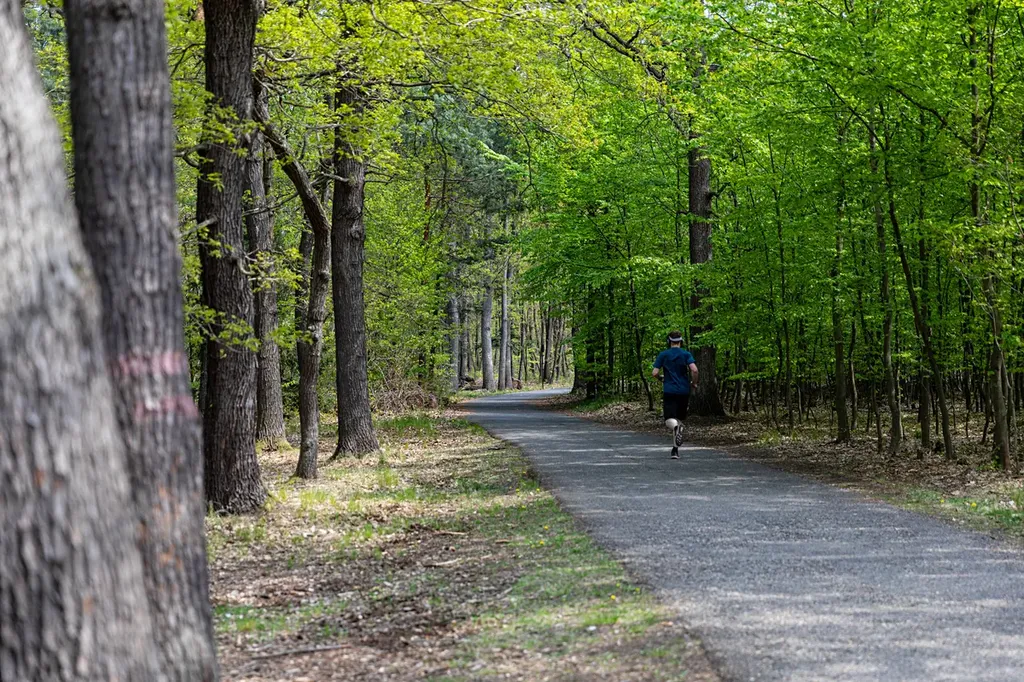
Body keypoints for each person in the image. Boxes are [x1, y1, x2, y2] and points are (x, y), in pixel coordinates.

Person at [652, 331, 699, 459]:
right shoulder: (686, 354)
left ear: (669, 341)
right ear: (681, 341)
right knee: (678, 419)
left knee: (669, 420)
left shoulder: (663, 355)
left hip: (669, 390)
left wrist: (661, 378)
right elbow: (694, 370)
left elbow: (654, 372)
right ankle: (675, 451)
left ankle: (677, 430)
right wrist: (694, 383)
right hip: (684, 390)